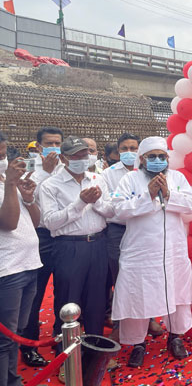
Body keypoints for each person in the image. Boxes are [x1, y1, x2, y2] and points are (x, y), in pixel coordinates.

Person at [111, 137, 192, 367]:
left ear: (168, 159)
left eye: (162, 156)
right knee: (138, 296)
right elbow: (118, 209)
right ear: (142, 159)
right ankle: (137, 343)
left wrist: (169, 194)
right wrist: (147, 195)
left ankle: (175, 337)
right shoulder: (130, 179)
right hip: (141, 252)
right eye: (152, 156)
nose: (158, 160)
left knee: (176, 293)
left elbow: (191, 205)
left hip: (173, 251)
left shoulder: (177, 177)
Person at [39, 136, 115, 347]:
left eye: (85, 154)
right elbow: (50, 222)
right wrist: (81, 202)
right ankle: (66, 356)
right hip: (69, 247)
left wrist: (96, 201)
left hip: (98, 244)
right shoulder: (51, 185)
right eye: (76, 156)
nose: (82, 159)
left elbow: (110, 211)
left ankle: (95, 351)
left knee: (97, 302)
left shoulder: (97, 178)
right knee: (67, 300)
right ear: (63, 158)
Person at [103, 133, 163, 341]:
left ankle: (149, 319)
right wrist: (140, 202)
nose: (129, 153)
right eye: (124, 149)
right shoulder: (109, 174)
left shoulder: (150, 171)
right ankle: (120, 324)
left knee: (149, 274)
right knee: (121, 277)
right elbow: (113, 206)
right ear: (117, 151)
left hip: (145, 229)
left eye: (133, 148)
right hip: (119, 230)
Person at [20, 126, 64, 367]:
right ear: (38, 147)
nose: (54, 148)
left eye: (58, 143)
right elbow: (27, 198)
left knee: (64, 292)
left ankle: (62, 340)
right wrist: (44, 172)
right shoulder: (30, 170)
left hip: (64, 238)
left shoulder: (66, 168)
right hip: (41, 237)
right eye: (50, 143)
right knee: (34, 296)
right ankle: (28, 345)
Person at [0, 133, 42, 386]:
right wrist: (9, 188)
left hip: (29, 264)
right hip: (7, 270)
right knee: (5, 338)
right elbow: (9, 223)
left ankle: (12, 378)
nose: (3, 159)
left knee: (16, 333)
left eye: (4, 153)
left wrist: (27, 197)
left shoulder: (8, 181)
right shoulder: (7, 184)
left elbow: (34, 222)